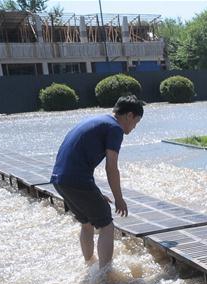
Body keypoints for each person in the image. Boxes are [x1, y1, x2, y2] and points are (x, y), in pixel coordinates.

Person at [50, 95, 143, 268]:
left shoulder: (98, 121)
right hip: (77, 180)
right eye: (136, 122)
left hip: (59, 179)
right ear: (129, 115)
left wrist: (97, 194)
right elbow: (111, 167)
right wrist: (119, 198)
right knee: (107, 225)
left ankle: (89, 265)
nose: (133, 128)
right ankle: (104, 276)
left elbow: (78, 159)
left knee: (87, 223)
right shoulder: (115, 128)